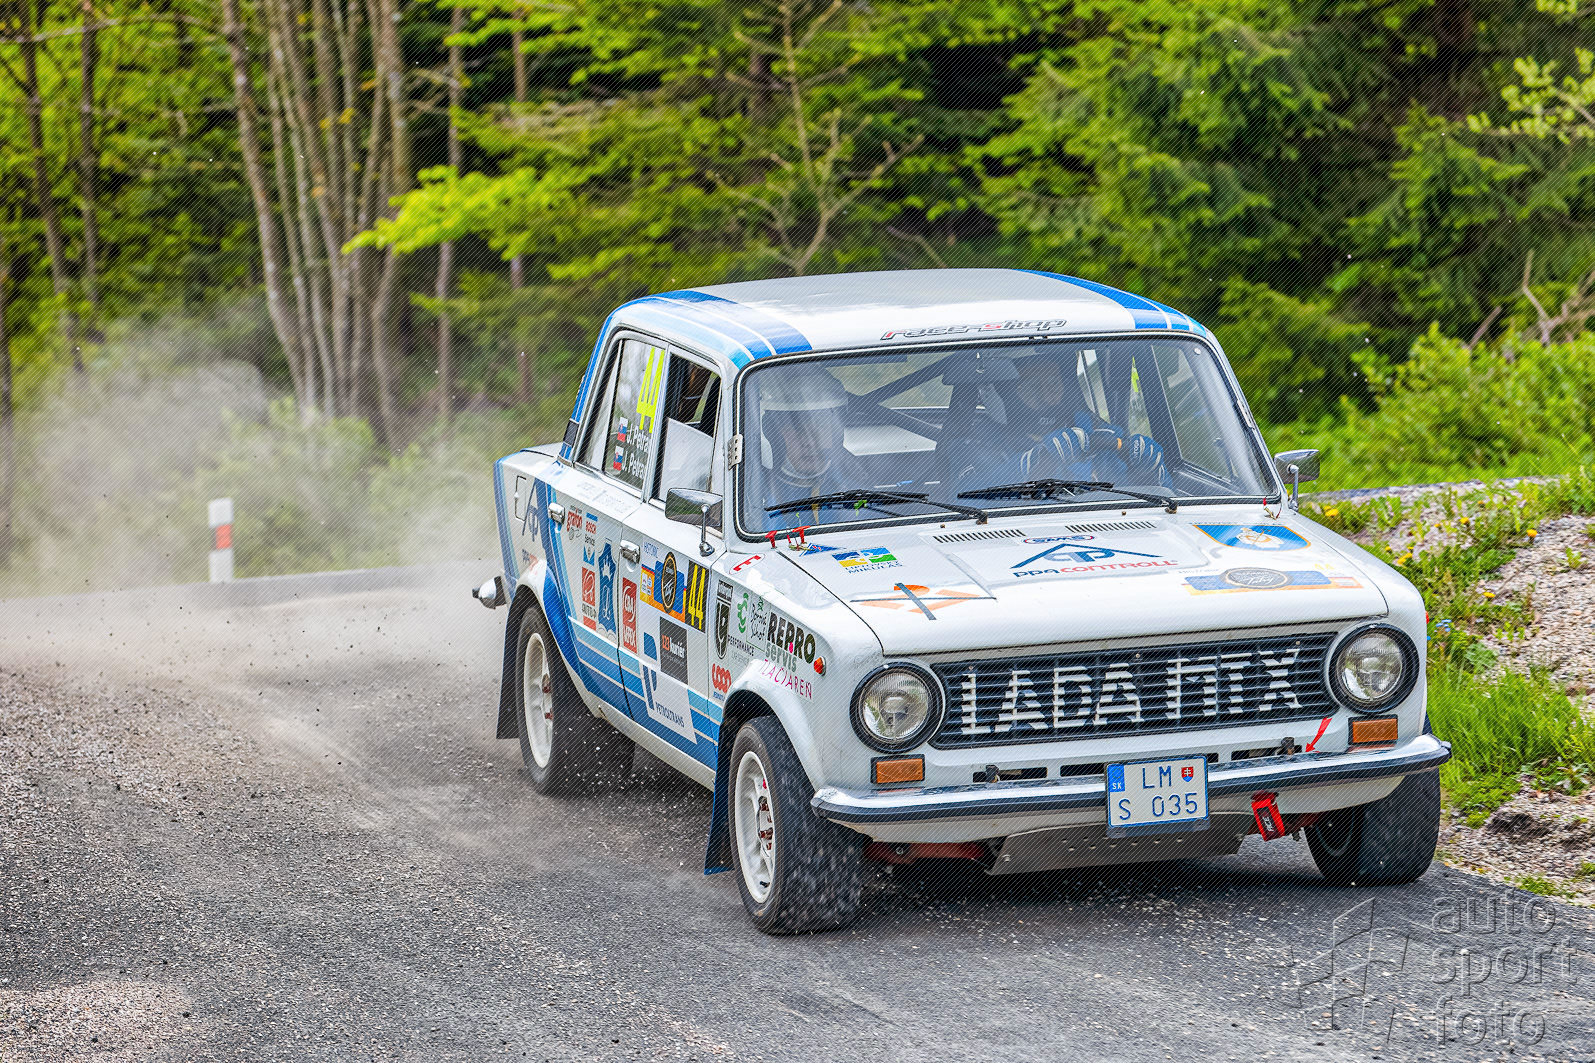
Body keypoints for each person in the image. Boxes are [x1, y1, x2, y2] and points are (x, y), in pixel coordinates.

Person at [974, 353, 1170, 488]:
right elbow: (966, 501)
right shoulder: (978, 445)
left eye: (1053, 383)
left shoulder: (1101, 433)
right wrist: (1036, 460)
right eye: (1032, 387)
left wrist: (1149, 471)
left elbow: (1163, 502)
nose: (1046, 395)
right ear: (1002, 395)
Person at [755, 368, 867, 526]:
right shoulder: (750, 495)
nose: (810, 442)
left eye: (820, 426)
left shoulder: (857, 490)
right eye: (797, 428)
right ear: (774, 434)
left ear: (836, 433)